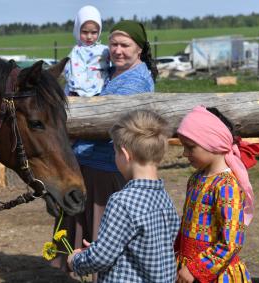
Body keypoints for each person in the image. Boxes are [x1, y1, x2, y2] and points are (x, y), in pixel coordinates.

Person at [52, 20, 159, 279]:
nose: (118, 50)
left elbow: (108, 124)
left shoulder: (135, 81)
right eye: (113, 44)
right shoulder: (109, 71)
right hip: (89, 165)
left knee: (104, 244)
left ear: (139, 49)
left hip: (108, 171)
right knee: (86, 237)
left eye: (125, 45)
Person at [67, 109, 180, 282]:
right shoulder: (165, 198)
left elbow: (101, 258)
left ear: (125, 154)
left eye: (115, 152)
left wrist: (76, 261)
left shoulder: (122, 202)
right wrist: (99, 247)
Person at [175, 106, 259, 283]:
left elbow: (232, 242)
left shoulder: (226, 186)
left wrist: (196, 269)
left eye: (190, 147)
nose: (184, 154)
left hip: (214, 273)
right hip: (187, 266)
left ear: (213, 143)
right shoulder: (197, 178)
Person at [63, 5, 110, 97]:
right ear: (78, 30)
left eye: (94, 32)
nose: (89, 37)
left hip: (99, 90)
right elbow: (68, 69)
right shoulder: (76, 51)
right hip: (77, 93)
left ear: (99, 31)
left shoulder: (104, 50)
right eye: (84, 32)